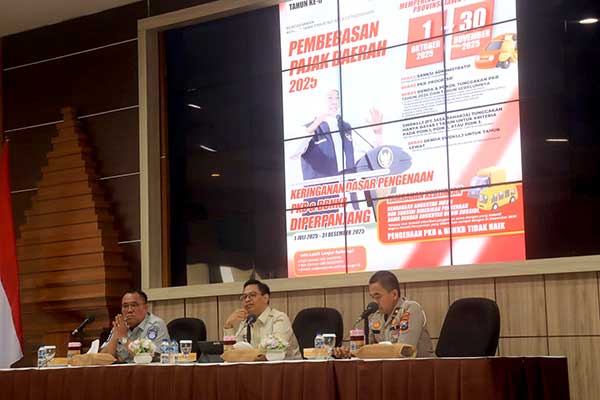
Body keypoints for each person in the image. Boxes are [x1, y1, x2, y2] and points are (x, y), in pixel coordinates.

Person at [287, 89, 385, 180]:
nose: (335, 102)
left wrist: (378, 133)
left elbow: (370, 155)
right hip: (320, 192)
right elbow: (292, 153)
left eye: (337, 98)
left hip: (348, 190)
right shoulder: (307, 129)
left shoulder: (346, 128)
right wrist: (315, 124)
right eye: (330, 98)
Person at [334, 271, 434, 358]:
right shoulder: (376, 316)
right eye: (372, 297)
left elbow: (403, 351)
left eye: (378, 296)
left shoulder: (410, 309)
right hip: (387, 369)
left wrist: (362, 352)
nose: (374, 301)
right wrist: (350, 353)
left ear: (394, 294)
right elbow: (370, 351)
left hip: (419, 369)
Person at [223, 279, 301, 359]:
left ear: (265, 298)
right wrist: (228, 326)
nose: (247, 300)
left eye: (252, 295)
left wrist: (248, 354)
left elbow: (275, 350)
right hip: (256, 365)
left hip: (287, 366)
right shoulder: (246, 322)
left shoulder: (279, 318)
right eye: (244, 297)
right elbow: (231, 352)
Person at [100, 289, 169, 362]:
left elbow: (149, 358)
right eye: (125, 306)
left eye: (134, 305)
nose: (129, 310)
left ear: (145, 308)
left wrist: (123, 338)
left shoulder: (155, 325)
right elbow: (103, 358)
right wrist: (116, 335)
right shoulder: (120, 325)